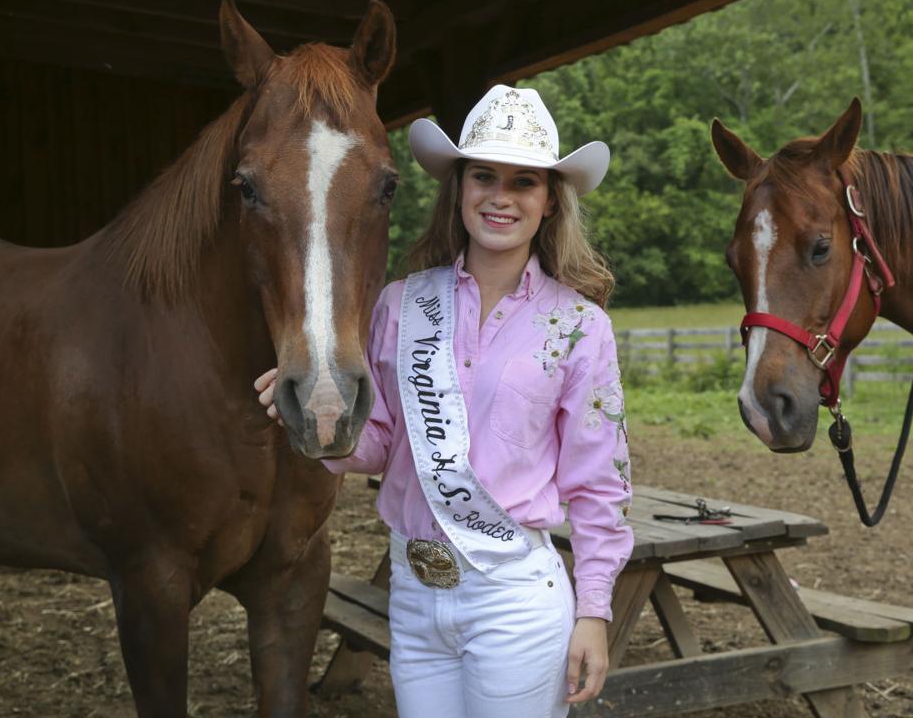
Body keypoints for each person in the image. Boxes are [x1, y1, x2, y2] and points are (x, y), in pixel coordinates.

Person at [254, 85, 633, 718]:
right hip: (414, 592)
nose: (501, 196)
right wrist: (320, 421)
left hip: (512, 597)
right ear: (458, 189)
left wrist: (594, 610)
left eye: (524, 182)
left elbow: (599, 487)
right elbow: (379, 444)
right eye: (483, 176)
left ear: (549, 202)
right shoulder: (401, 305)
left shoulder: (577, 327)